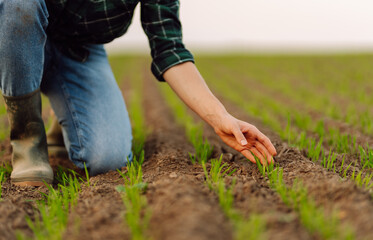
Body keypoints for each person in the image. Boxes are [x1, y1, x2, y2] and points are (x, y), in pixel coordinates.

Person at [0, 0, 277, 186]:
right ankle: (28, 142)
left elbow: (168, 48)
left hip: (80, 52)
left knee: (107, 160)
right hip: (15, 36)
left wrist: (221, 118)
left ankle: (65, 120)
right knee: (18, 6)